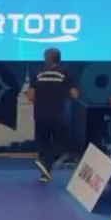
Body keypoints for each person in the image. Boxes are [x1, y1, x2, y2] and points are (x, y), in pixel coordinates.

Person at [26, 47, 79, 183]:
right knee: (59, 145)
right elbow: (75, 94)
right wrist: (64, 91)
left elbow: (31, 96)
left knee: (43, 143)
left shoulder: (37, 74)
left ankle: (45, 171)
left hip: (40, 114)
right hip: (57, 115)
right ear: (59, 59)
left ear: (46, 59)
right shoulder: (65, 74)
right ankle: (46, 165)